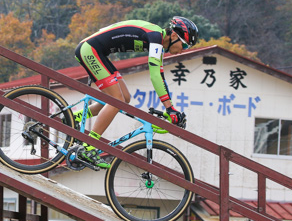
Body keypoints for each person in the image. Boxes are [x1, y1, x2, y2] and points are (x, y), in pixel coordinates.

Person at [74, 17, 199, 168]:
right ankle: (89, 147)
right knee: (117, 100)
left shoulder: (157, 39)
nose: (182, 51)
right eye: (184, 46)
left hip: (97, 51)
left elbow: (159, 73)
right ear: (173, 36)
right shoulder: (155, 37)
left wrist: (169, 108)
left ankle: (74, 117)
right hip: (90, 50)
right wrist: (170, 108)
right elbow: (155, 76)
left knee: (124, 98)